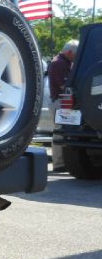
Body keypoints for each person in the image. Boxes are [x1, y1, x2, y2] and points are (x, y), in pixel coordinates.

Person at [48, 39, 79, 171]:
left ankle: (63, 163)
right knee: (60, 132)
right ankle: (59, 164)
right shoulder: (58, 64)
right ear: (70, 52)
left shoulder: (65, 63)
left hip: (63, 102)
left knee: (64, 132)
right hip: (60, 102)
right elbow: (64, 86)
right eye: (75, 55)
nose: (76, 58)